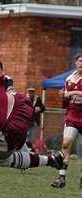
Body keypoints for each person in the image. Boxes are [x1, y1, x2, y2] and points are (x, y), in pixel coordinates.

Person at [51, 51, 82, 189]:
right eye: (80, 60)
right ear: (76, 62)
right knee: (66, 144)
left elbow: (76, 93)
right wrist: (64, 96)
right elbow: (65, 102)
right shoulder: (69, 79)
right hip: (72, 117)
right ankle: (61, 178)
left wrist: (73, 92)